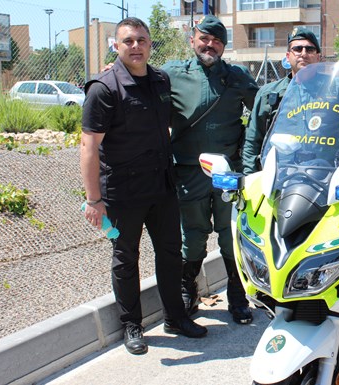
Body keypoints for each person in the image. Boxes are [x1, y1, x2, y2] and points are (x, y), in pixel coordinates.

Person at [80, 17, 207, 356]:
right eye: (128, 41)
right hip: (122, 193)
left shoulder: (160, 80)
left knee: (169, 254)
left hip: (161, 187)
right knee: (126, 259)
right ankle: (131, 325)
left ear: (150, 44)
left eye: (141, 40)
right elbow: (88, 146)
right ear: (116, 46)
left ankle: (175, 318)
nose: (136, 46)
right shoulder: (103, 88)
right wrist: (94, 200)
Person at [161, 15, 259, 324]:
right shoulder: (171, 74)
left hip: (227, 173)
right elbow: (139, 85)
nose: (210, 44)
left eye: (217, 40)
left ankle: (238, 296)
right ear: (192, 40)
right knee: (193, 236)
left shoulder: (238, 77)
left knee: (231, 236)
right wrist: (115, 69)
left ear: (224, 46)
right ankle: (189, 289)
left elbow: (264, 110)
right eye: (204, 38)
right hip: (190, 171)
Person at [242, 27, 323, 175]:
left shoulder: (338, 89)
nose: (303, 54)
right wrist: (250, 179)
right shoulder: (268, 93)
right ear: (288, 56)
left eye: (310, 49)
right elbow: (252, 141)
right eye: (297, 49)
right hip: (278, 177)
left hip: (324, 175)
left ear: (318, 56)